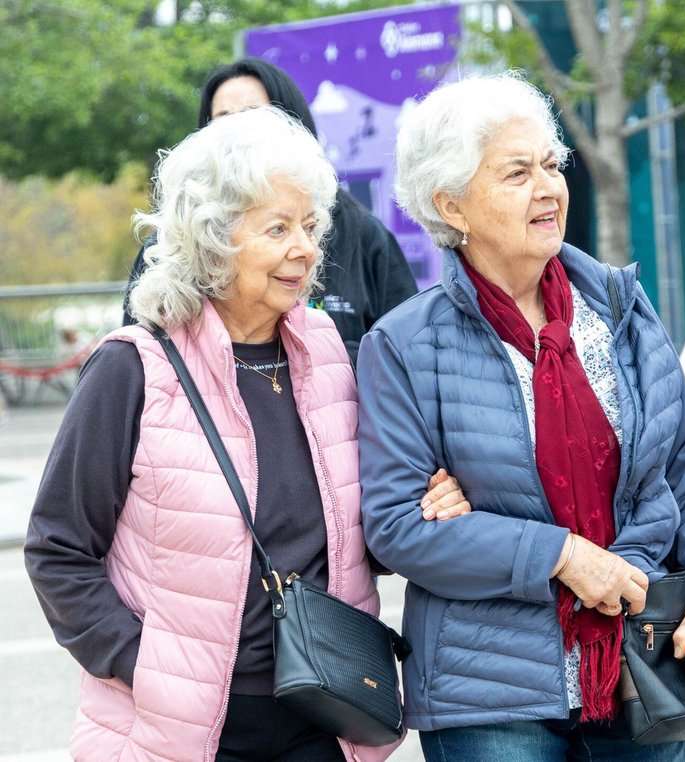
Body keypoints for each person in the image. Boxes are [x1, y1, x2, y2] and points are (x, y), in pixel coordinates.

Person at [24, 107, 460, 761]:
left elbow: (352, 539)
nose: (305, 249)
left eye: (310, 228)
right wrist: (145, 665)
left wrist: (425, 506)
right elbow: (58, 551)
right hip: (180, 729)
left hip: (322, 715)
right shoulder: (133, 368)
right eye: (277, 228)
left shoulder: (329, 357)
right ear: (213, 238)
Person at [357, 72, 685, 761]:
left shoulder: (619, 309)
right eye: (515, 173)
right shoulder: (404, 344)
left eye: (549, 164)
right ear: (452, 206)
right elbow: (397, 528)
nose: (547, 187)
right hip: (489, 694)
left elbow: (684, 466)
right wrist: (562, 557)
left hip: (641, 660)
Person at [121, 57, 418, 364]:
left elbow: (406, 354)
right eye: (222, 120)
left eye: (253, 116)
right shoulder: (173, 243)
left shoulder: (362, 234)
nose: (304, 249)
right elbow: (139, 364)